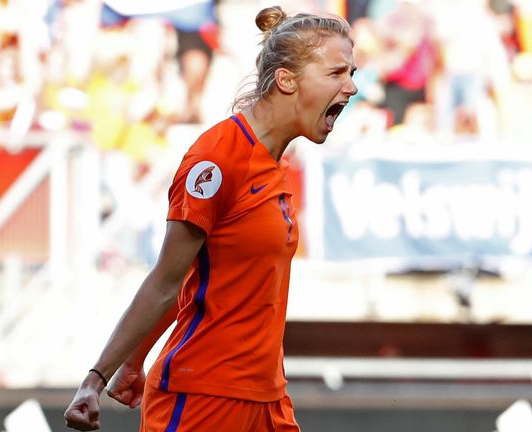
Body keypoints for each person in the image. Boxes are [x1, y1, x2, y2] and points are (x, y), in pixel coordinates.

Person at [63, 5, 357, 432]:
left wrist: (133, 360)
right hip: (203, 398)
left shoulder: (275, 163)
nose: (350, 87)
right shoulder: (217, 160)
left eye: (351, 73)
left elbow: (198, 276)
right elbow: (167, 279)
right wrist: (97, 378)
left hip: (267, 399)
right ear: (287, 80)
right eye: (336, 74)